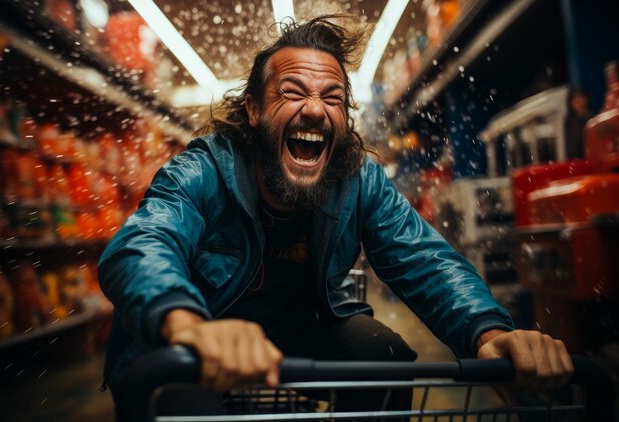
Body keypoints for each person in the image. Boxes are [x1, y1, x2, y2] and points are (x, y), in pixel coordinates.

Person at [98, 15, 573, 415]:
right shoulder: (202, 170)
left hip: (299, 329)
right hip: (199, 332)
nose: (314, 109)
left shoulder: (357, 179)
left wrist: (487, 332)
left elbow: (425, 259)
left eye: (332, 97)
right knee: (177, 401)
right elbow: (142, 245)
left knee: (383, 356)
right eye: (292, 92)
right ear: (254, 111)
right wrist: (187, 326)